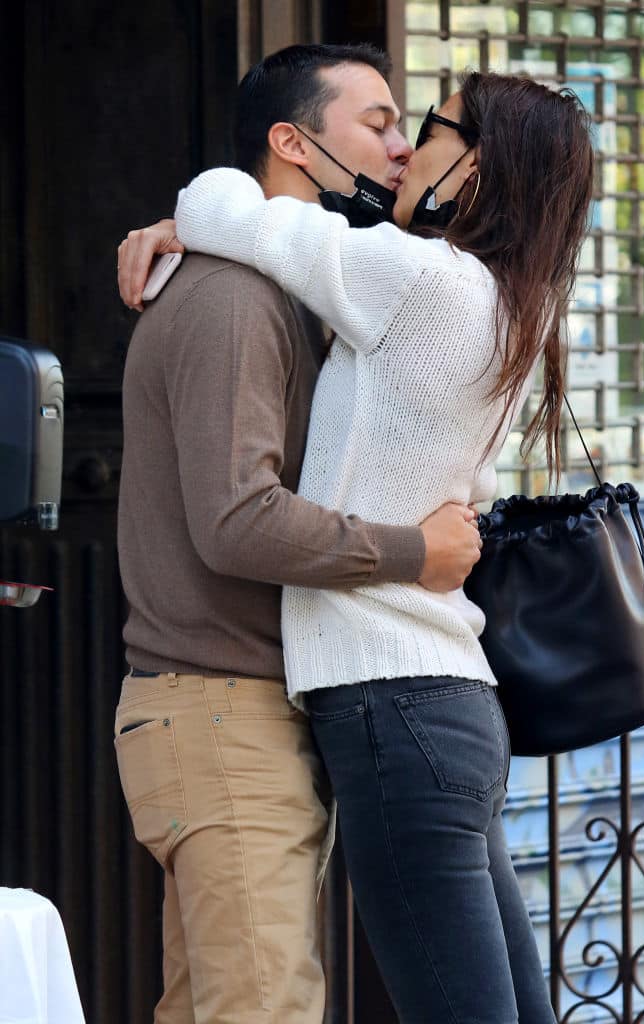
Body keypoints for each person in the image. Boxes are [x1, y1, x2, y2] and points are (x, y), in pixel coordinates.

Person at [157, 71, 595, 1023]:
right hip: (449, 698)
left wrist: (178, 229)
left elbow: (215, 201)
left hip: (391, 701)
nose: (404, 149)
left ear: (471, 166)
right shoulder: (511, 304)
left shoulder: (417, 278)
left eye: (426, 127)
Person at [114, 43, 482, 1024]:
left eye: (409, 128)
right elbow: (238, 521)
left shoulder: (279, 284)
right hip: (222, 714)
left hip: (228, 714)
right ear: (291, 143)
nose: (402, 150)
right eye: (377, 123)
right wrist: (418, 550)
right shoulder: (237, 299)